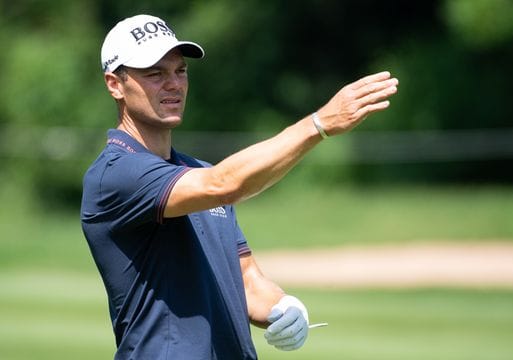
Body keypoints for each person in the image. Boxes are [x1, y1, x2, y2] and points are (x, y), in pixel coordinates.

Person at [81, 14, 398, 360]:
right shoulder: (115, 173)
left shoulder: (198, 172)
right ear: (115, 84)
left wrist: (283, 306)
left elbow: (245, 280)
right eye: (155, 73)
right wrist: (318, 125)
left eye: (180, 70)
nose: (173, 83)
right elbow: (226, 183)